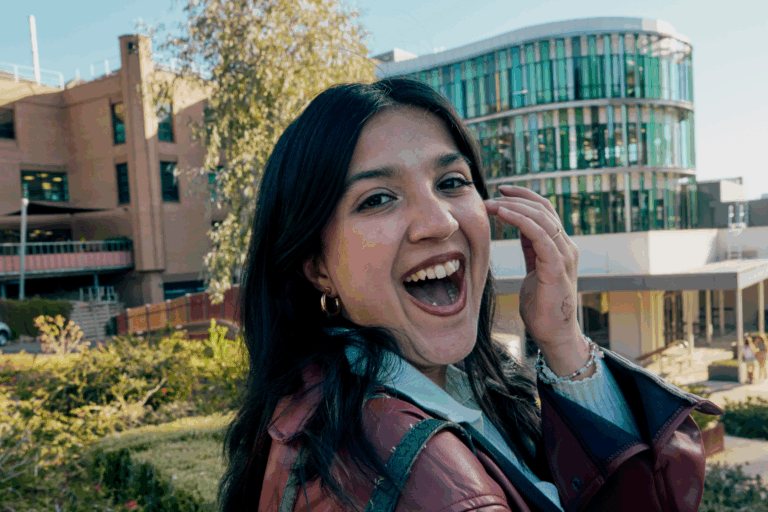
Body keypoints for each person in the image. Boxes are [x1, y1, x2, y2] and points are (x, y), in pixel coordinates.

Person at [217, 78, 723, 512]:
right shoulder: (407, 472)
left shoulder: (459, 391)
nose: (440, 221)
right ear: (317, 268)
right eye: (378, 198)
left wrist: (563, 339)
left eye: (451, 182)